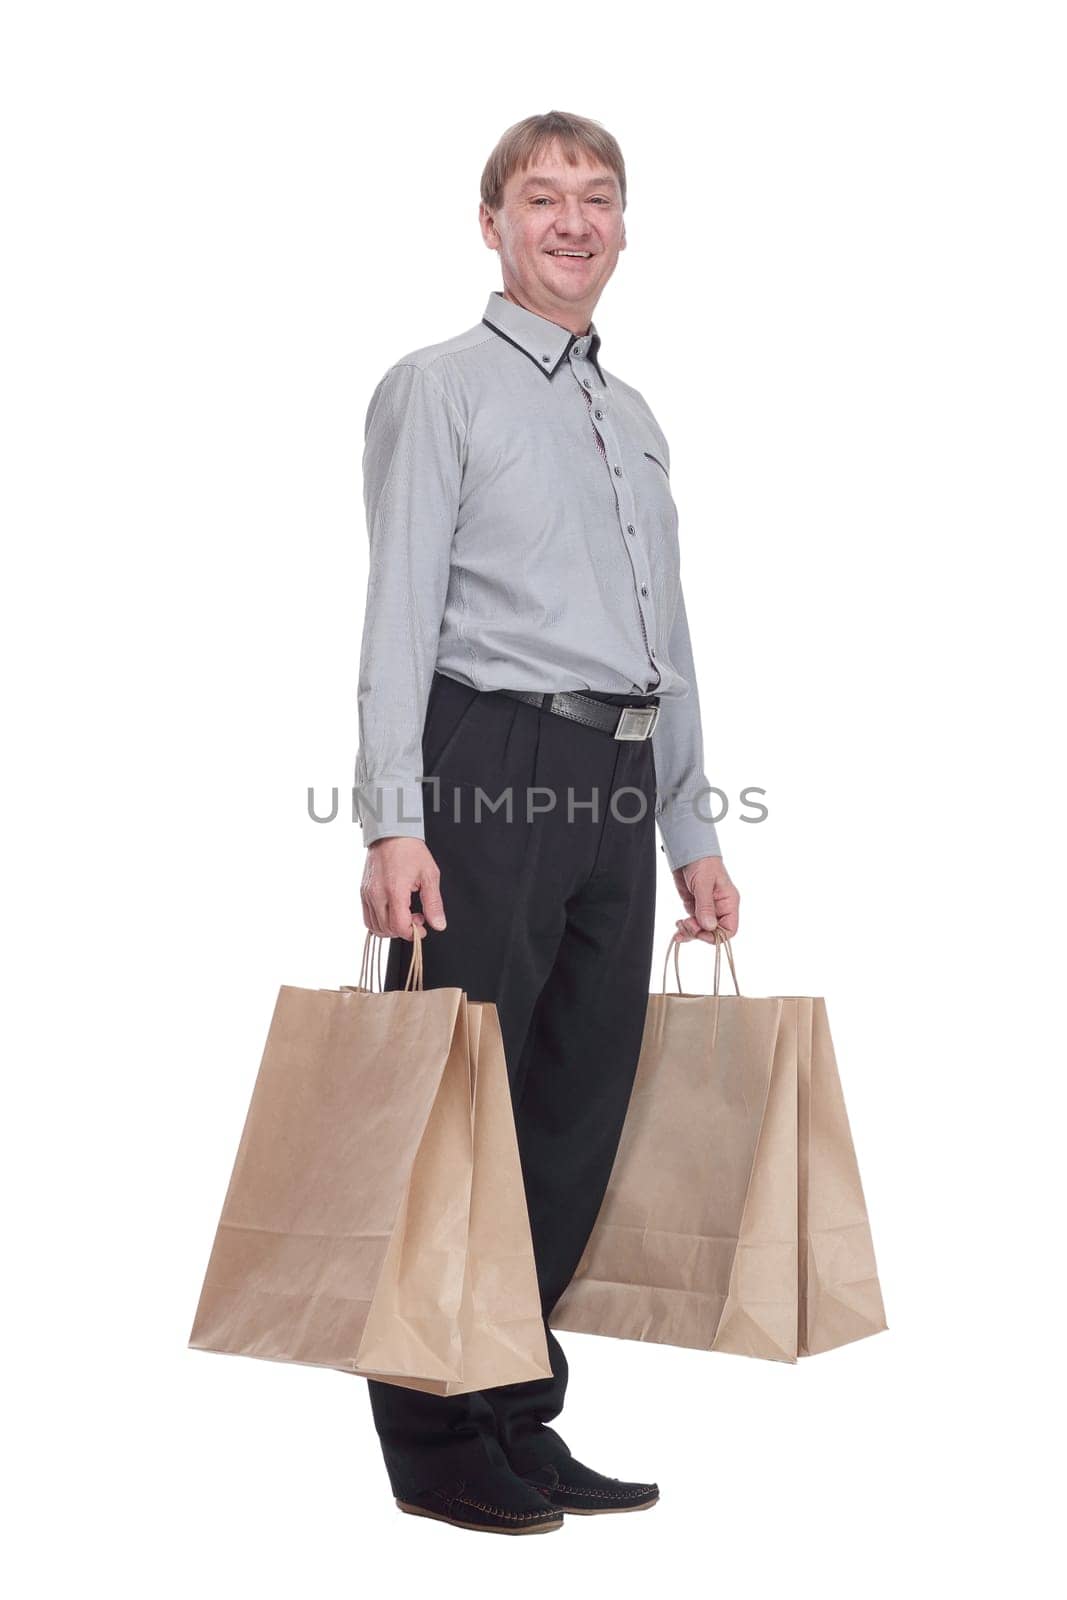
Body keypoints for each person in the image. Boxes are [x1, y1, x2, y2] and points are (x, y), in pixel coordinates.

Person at [353, 109, 740, 1536]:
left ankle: (515, 1404)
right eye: (541, 197)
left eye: (597, 198)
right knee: (453, 1104)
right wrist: (395, 820)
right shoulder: (439, 388)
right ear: (492, 225)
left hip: (617, 775)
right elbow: (398, 606)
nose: (572, 220)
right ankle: (431, 1434)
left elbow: (670, 634)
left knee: (571, 1110)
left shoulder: (628, 416)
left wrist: (690, 828)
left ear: (623, 227)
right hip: (487, 758)